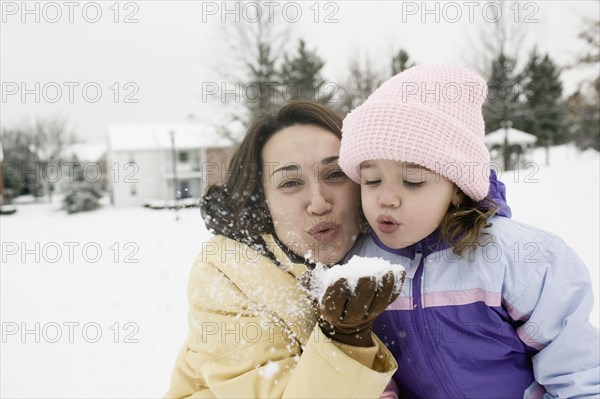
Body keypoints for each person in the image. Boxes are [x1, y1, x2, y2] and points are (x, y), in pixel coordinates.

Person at [338, 64, 600, 398]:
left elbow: (578, 371)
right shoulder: (360, 266)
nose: (385, 198)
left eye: (413, 180)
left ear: (458, 188)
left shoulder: (515, 259)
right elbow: (363, 363)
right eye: (372, 180)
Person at [165, 101, 400, 398]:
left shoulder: (392, 242)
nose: (318, 203)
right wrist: (345, 341)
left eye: (335, 174)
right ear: (261, 200)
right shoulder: (228, 273)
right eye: (290, 182)